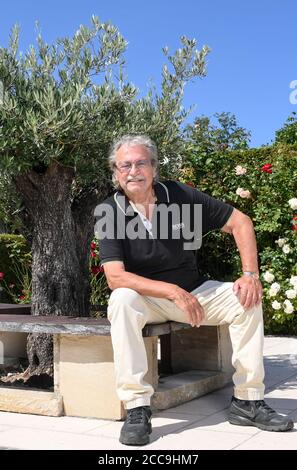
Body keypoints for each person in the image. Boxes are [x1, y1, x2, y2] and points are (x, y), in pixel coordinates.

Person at [96, 134, 293, 446]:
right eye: (125, 165)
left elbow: (241, 222)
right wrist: (171, 291)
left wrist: (250, 275)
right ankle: (137, 407)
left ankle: (248, 400)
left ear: (154, 168)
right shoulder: (109, 211)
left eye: (141, 163)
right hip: (146, 297)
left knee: (247, 299)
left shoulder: (178, 194)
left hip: (194, 290)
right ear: (116, 173)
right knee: (121, 300)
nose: (134, 171)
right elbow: (116, 277)